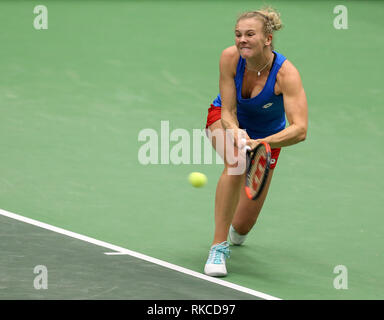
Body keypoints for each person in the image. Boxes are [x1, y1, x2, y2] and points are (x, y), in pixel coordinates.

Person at [204, 7, 308, 277]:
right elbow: (227, 110)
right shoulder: (230, 58)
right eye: (238, 34)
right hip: (227, 119)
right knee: (237, 162)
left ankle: (232, 234)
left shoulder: (287, 74)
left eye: (250, 34)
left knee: (242, 227)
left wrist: (262, 143)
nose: (242, 40)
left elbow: (300, 129)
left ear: (267, 39)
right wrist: (236, 132)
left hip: (269, 136)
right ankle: (218, 246)